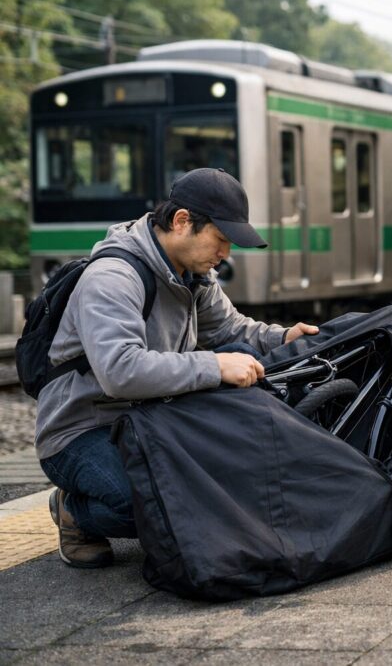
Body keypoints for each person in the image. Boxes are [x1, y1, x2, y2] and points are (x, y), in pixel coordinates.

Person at [36, 168, 319, 568]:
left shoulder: (193, 273)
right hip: (84, 428)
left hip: (151, 412)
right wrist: (214, 366)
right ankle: (72, 509)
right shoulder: (113, 278)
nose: (226, 253)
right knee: (147, 507)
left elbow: (229, 330)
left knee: (239, 352)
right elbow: (120, 371)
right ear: (182, 221)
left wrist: (284, 337)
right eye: (221, 240)